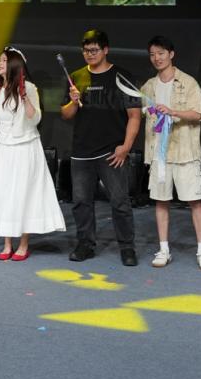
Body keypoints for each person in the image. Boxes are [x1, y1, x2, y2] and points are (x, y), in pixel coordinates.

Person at [60, 29, 142, 265]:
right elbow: (66, 114)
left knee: (120, 202)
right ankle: (85, 245)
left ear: (106, 50)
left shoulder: (122, 76)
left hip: (112, 152)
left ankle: (127, 248)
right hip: (82, 151)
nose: (90, 54)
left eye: (94, 50)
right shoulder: (75, 77)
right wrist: (72, 101)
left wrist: (126, 147)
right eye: (86, 50)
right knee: (81, 202)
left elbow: (135, 116)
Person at [0, 48, 65, 260]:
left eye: (4, 60)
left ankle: (23, 244)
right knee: (5, 193)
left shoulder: (29, 87)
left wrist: (25, 98)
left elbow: (35, 118)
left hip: (26, 147)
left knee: (24, 194)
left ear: (14, 64)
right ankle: (7, 244)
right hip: (4, 148)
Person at [140, 36, 201, 270]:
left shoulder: (188, 82)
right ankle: (163, 249)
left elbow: (199, 114)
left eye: (161, 53)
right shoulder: (149, 85)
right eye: (152, 54)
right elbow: (140, 111)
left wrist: (173, 112)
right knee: (161, 202)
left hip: (185, 152)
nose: (156, 58)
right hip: (158, 154)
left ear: (171, 54)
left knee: (195, 201)